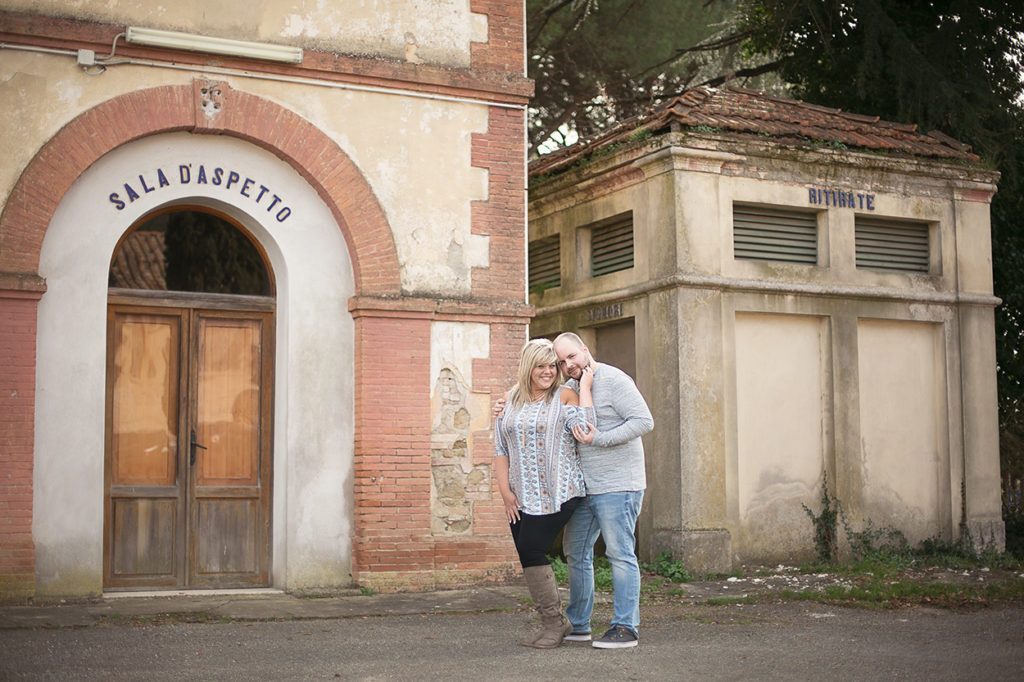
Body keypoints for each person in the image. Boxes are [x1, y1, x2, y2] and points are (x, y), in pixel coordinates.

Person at [553, 331, 653, 649]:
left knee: (620, 554)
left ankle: (626, 628)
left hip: (619, 485)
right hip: (586, 488)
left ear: (585, 350)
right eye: (562, 361)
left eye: (572, 356)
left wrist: (601, 438)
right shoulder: (569, 389)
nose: (569, 364)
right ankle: (579, 624)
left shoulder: (614, 379)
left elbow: (644, 421)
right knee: (575, 552)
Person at [493, 338, 594, 649]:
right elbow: (500, 445)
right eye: (542, 366)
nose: (549, 371)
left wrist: (585, 388)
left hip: (559, 491)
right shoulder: (511, 399)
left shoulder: (565, 396)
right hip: (520, 494)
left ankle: (555, 623)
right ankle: (553, 622)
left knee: (532, 548)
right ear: (528, 367)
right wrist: (505, 492)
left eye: (553, 366)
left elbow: (587, 430)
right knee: (527, 554)